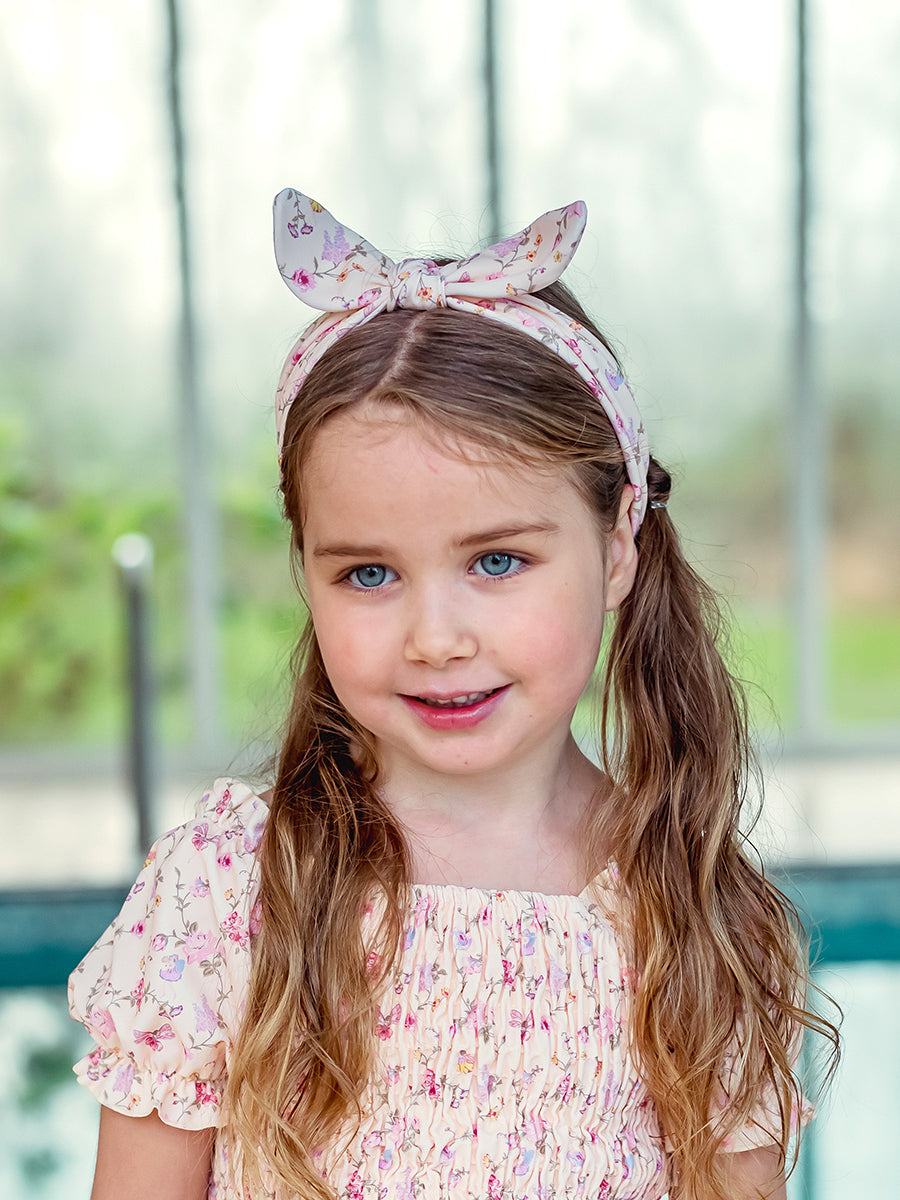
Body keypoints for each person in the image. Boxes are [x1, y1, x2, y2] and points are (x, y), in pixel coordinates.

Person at [70, 190, 838, 1200]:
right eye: (369, 574)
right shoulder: (228, 889)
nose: (436, 639)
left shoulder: (696, 916)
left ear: (618, 544)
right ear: (306, 569)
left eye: (498, 561)